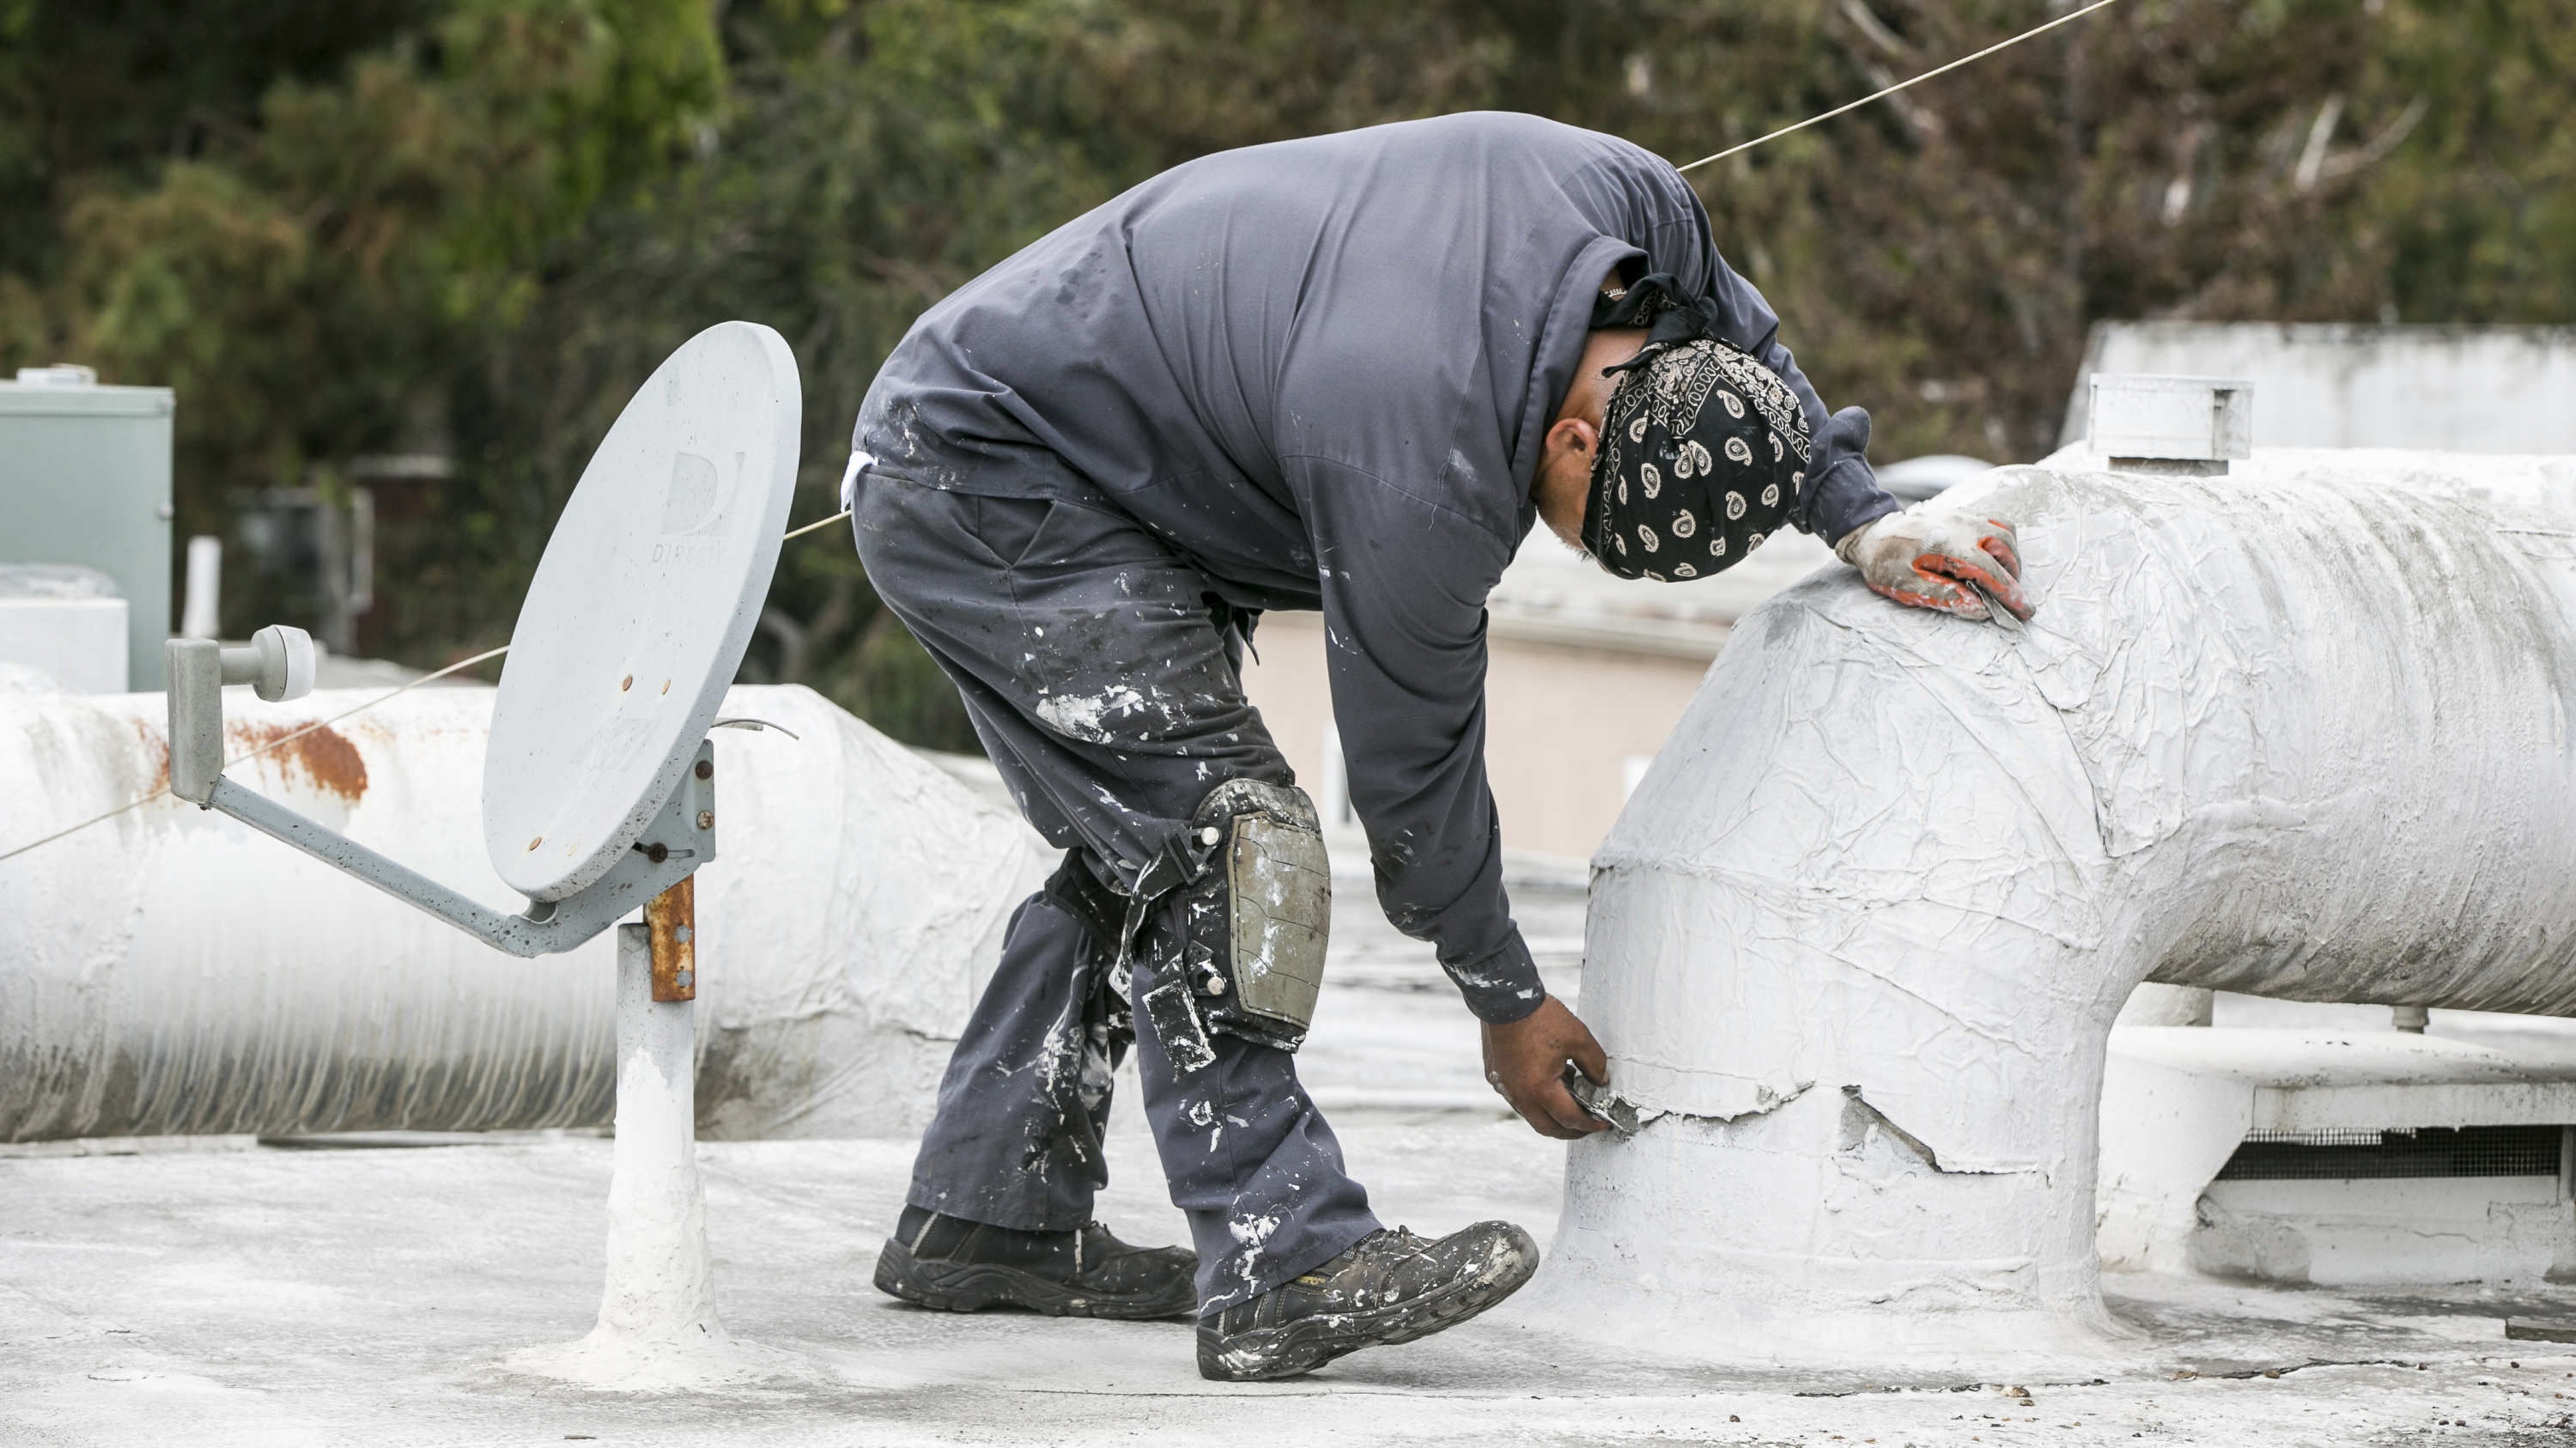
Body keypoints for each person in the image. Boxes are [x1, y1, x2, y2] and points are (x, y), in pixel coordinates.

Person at [841, 111, 2030, 1383]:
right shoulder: (1423, 442)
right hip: (987, 470)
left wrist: (1861, 518)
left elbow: (1752, 347)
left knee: (1145, 837)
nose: (1556, 542)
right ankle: (1281, 1258)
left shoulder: (1639, 217)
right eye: (1577, 527)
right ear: (1573, 438)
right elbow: (1412, 772)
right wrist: (1502, 994)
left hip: (1091, 468)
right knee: (1229, 838)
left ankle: (989, 1212)